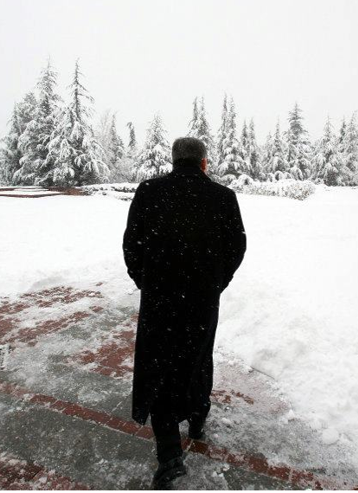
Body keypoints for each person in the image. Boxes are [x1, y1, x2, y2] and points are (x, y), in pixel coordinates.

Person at [122, 137, 247, 489]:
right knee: (197, 356)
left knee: (159, 364)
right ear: (204, 163)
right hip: (201, 299)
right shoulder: (223, 197)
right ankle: (196, 417)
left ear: (174, 161)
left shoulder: (150, 192)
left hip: (159, 299)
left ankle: (169, 454)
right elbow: (236, 245)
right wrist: (216, 282)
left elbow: (132, 244)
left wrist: (145, 281)